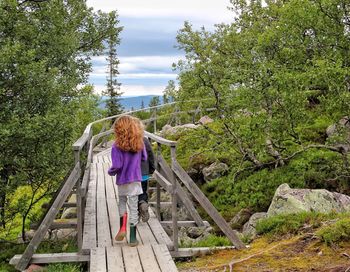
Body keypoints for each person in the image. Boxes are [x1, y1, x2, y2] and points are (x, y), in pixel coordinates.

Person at [108, 115, 147, 247]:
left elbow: (117, 165)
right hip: (135, 179)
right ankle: (132, 238)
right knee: (133, 206)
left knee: (122, 202)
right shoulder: (140, 143)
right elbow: (144, 158)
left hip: (122, 180)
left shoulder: (116, 146)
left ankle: (122, 227)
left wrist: (111, 171)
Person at [139, 136, 155, 222]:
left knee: (133, 194)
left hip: (131, 174)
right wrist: (152, 168)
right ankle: (143, 203)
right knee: (143, 191)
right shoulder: (144, 139)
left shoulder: (127, 138)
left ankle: (136, 215)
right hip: (144, 172)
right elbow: (150, 154)